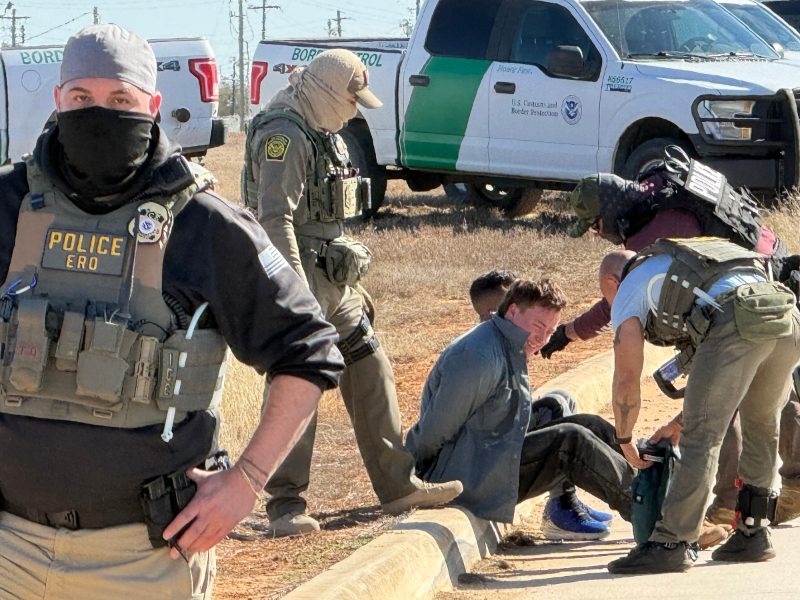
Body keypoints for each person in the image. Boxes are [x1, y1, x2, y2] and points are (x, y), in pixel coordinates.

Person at [0, 24, 345, 598]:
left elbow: (308, 351)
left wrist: (248, 482)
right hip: (9, 549)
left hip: (144, 559)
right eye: (81, 98)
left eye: (120, 100)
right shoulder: (8, 204)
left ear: (153, 107)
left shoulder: (203, 223)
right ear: (59, 100)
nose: (98, 113)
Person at [241, 48, 462, 537]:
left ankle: (398, 485)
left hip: (333, 280)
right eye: (352, 99)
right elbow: (273, 219)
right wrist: (294, 293)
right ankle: (284, 506)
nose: (356, 109)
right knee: (298, 382)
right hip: (298, 278)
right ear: (324, 91)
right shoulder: (285, 134)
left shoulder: (319, 130)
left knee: (370, 365)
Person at [545, 167, 800, 533]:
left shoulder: (656, 231)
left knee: (719, 405)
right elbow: (626, 293)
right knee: (768, 393)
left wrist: (628, 437)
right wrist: (571, 332)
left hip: (745, 304)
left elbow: (621, 299)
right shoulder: (663, 198)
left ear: (611, 210)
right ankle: (759, 519)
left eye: (596, 224)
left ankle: (712, 514)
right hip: (769, 284)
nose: (597, 233)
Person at [601, 241, 800, 574]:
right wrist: (680, 420)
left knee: (702, 437)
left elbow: (626, 380)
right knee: (763, 427)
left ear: (611, 281)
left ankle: (672, 542)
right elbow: (722, 381)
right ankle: (753, 533)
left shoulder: (627, 290)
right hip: (786, 317)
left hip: (738, 318)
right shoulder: (686, 263)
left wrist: (624, 437)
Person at [406, 278, 635, 535]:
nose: (542, 338)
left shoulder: (507, 340)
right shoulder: (477, 357)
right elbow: (435, 430)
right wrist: (405, 480)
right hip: (462, 476)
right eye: (538, 326)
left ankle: (656, 491)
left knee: (584, 423)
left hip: (486, 452)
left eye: (550, 331)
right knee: (570, 441)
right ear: (513, 310)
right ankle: (653, 517)